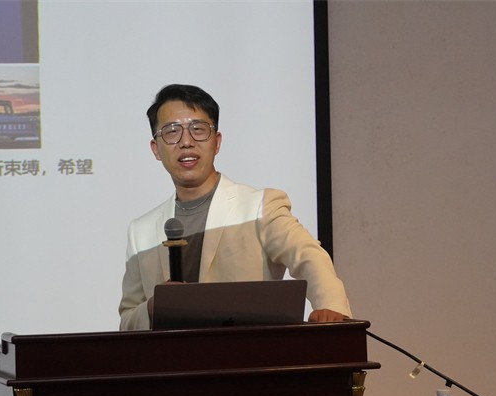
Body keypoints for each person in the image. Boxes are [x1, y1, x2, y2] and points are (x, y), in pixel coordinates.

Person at [119, 84, 351, 331]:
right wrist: (155, 306)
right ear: (156, 149)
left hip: (248, 351)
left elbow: (308, 257)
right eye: (172, 131)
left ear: (217, 142)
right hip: (173, 356)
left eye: (198, 129)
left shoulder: (259, 207)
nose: (186, 142)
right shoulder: (140, 231)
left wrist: (331, 309)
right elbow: (128, 320)